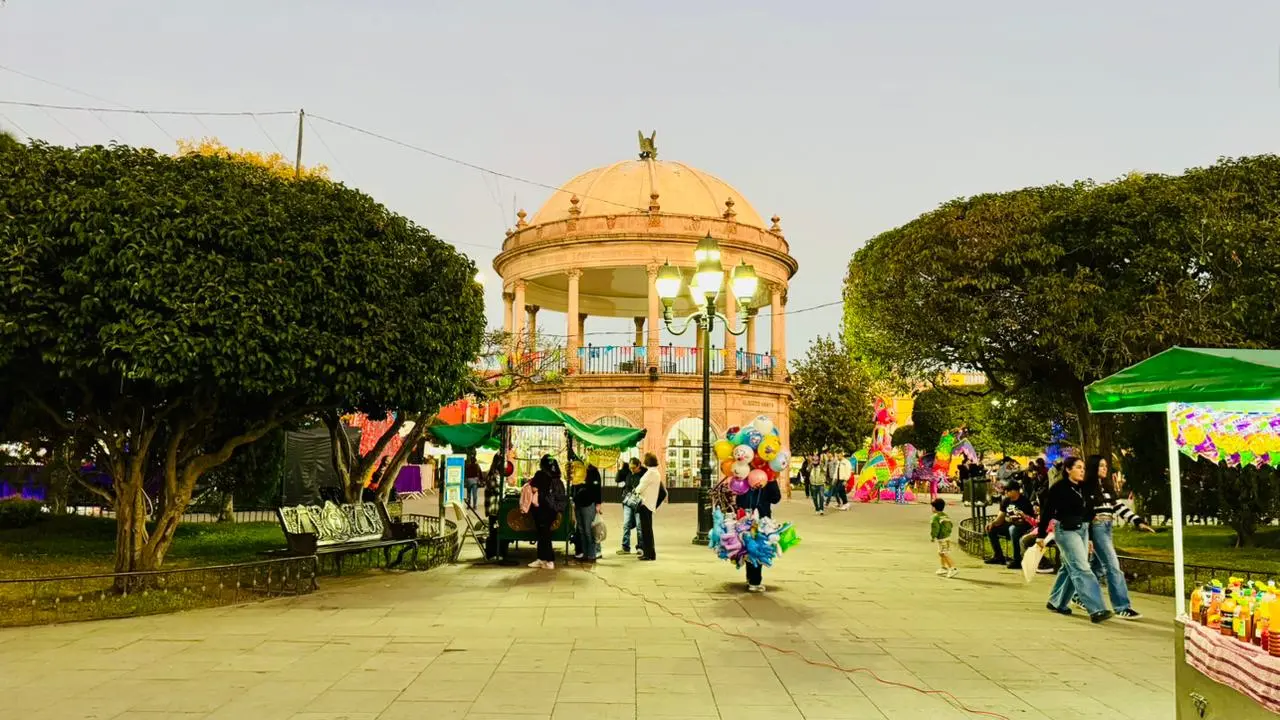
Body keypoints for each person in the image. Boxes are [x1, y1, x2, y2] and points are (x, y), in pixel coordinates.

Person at [1067, 455, 1154, 620]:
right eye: (1101, 466)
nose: (1105, 469)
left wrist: (1137, 521)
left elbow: (1118, 506)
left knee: (1098, 567)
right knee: (1113, 567)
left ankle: (1079, 596)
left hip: (1107, 528)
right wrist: (1089, 537)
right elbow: (1085, 513)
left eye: (1106, 466)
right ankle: (1122, 606)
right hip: (1097, 528)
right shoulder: (1086, 487)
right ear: (1093, 468)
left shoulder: (1106, 487)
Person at [1037, 456, 1111, 623]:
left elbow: (1089, 514)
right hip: (1066, 530)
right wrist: (1041, 535)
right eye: (1078, 467)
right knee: (1082, 568)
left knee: (1069, 567)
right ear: (1068, 469)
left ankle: (1057, 601)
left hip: (1083, 530)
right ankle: (1097, 609)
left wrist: (1090, 538)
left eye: (1083, 468)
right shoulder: (1059, 488)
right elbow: (1047, 511)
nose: (1082, 471)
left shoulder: (1084, 488)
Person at [738, 478, 783, 592]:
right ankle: (755, 582)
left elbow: (739, 500)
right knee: (758, 548)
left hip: (746, 517)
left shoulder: (745, 476)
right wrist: (771, 482)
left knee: (749, 547)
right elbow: (776, 498)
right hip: (762, 519)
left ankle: (751, 578)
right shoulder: (768, 478)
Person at [984, 478, 1036, 568]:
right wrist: (993, 523)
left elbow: (1029, 520)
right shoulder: (1006, 501)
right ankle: (998, 556)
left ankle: (1017, 560)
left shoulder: (1024, 502)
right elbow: (1000, 517)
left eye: (1008, 490)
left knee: (1013, 529)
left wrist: (1019, 520)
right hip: (1011, 525)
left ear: (1015, 491)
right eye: (1005, 490)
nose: (1006, 492)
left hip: (1024, 527)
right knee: (991, 528)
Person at [526, 455, 566, 570]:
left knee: (543, 534)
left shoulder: (540, 474)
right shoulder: (557, 477)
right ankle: (541, 559)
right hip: (552, 510)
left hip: (542, 509)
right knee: (545, 533)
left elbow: (533, 489)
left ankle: (549, 560)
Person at [633, 453, 664, 561]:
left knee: (646, 531)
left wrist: (635, 491)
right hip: (650, 504)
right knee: (648, 530)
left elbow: (640, 487)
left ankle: (648, 554)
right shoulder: (656, 472)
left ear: (648, 461)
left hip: (644, 504)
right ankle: (651, 553)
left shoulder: (650, 473)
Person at [573, 464, 603, 563]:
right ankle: (585, 554)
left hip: (589, 503)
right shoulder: (579, 469)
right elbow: (574, 486)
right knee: (581, 530)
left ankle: (591, 554)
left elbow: (597, 489)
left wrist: (598, 504)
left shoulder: (594, 472)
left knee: (588, 530)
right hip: (578, 503)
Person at [616, 457, 645, 556]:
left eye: (634, 468)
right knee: (626, 524)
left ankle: (641, 547)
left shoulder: (644, 473)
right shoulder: (627, 472)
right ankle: (625, 547)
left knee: (639, 526)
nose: (632, 470)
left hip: (638, 502)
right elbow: (617, 479)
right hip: (628, 502)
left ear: (639, 466)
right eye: (630, 467)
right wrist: (620, 468)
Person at [930, 498, 957, 578]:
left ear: (934, 508)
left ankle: (953, 568)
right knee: (941, 552)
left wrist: (933, 536)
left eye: (932, 507)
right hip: (947, 537)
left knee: (944, 553)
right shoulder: (945, 515)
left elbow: (935, 528)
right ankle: (943, 567)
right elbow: (951, 525)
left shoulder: (935, 517)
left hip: (941, 538)